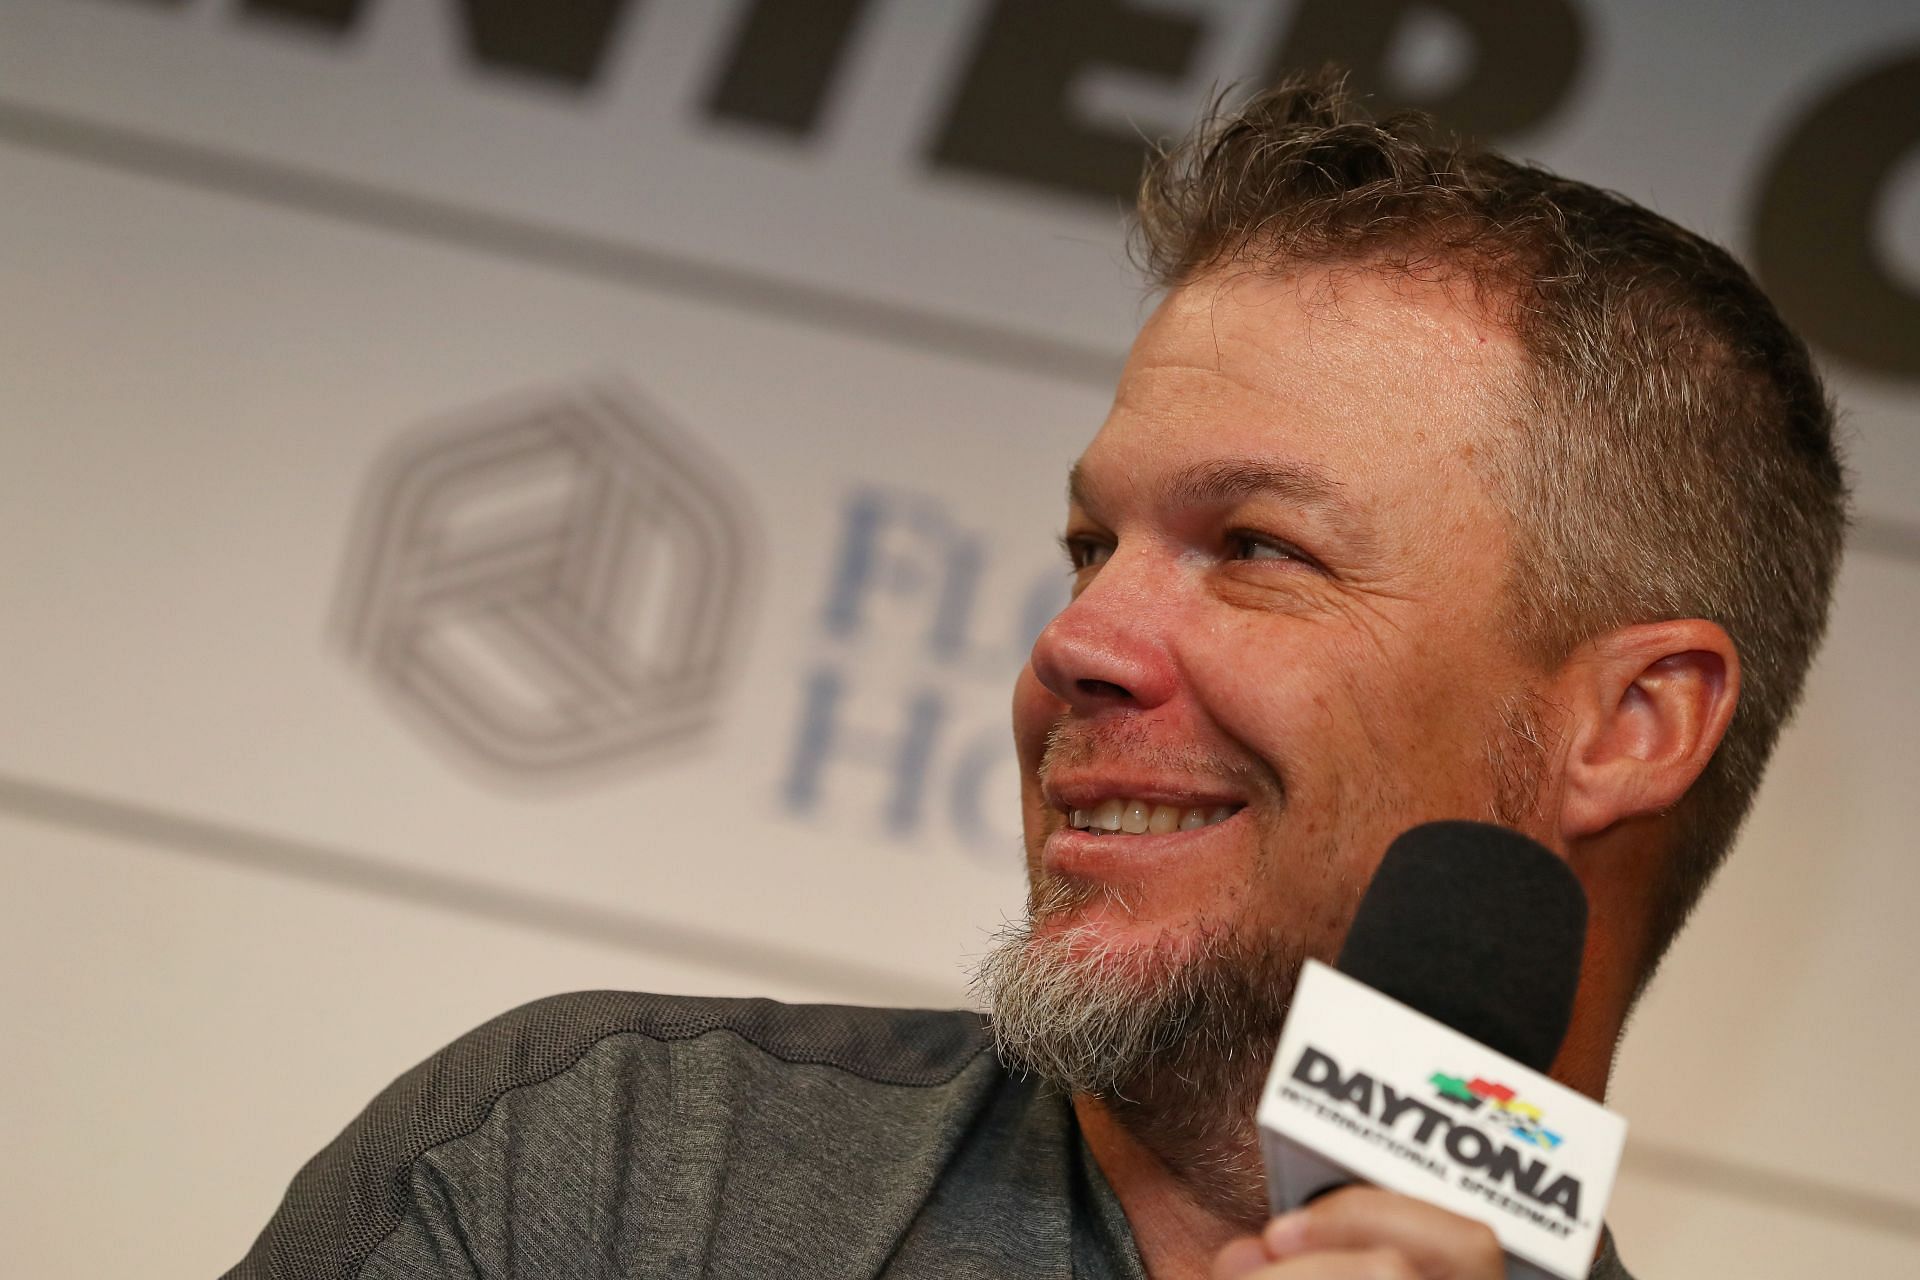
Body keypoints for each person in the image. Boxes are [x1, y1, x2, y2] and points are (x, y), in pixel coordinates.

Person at [227, 75, 1847, 1280]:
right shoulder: (608, 1168)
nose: (1077, 645)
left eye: (1258, 550)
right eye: (1092, 546)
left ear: (1629, 727)